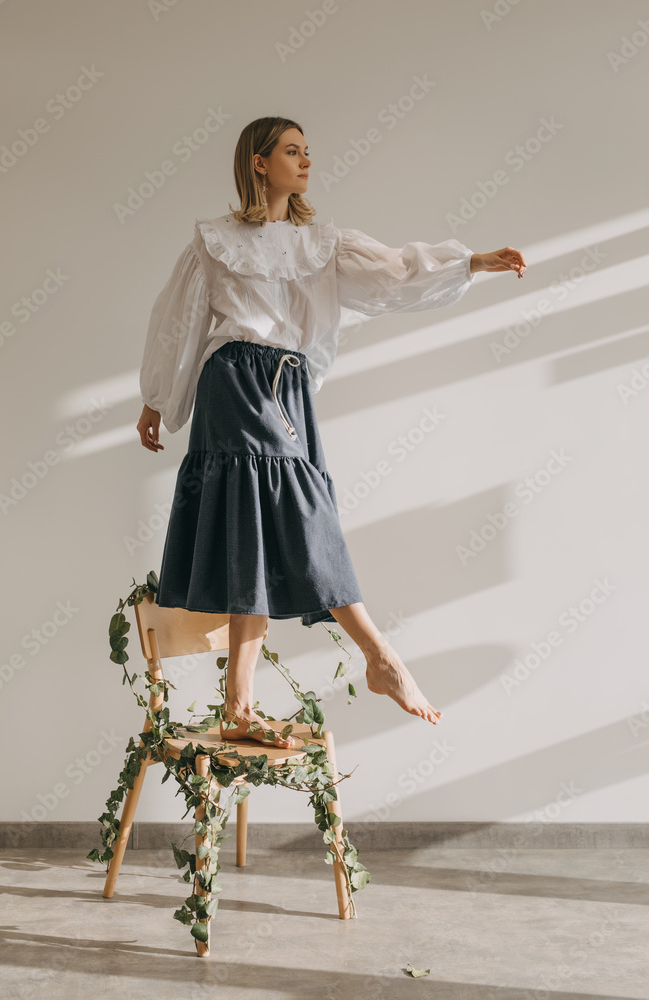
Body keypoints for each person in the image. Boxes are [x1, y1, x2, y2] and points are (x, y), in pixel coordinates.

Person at [137, 116, 527, 751]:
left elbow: (395, 272)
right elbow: (178, 320)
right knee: (288, 517)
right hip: (235, 383)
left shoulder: (321, 242)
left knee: (260, 534)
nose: (306, 160)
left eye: (307, 151)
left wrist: (471, 263)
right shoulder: (214, 241)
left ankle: (240, 702)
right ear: (259, 162)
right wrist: (158, 398)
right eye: (292, 151)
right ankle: (381, 656)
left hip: (288, 390)